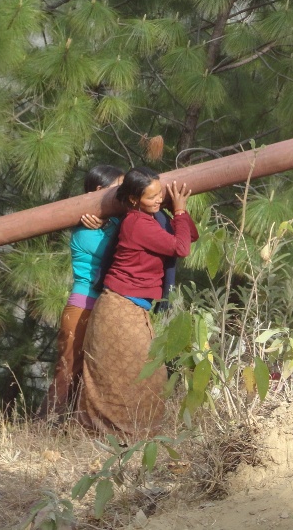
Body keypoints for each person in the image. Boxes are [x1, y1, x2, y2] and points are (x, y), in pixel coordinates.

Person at [76, 167, 198, 437]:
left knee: (148, 375)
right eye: (151, 197)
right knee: (133, 375)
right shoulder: (137, 223)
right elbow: (181, 248)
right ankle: (118, 436)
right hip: (119, 309)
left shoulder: (152, 219)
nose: (158, 200)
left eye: (160, 194)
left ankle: (136, 436)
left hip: (130, 308)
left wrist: (176, 212)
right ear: (133, 200)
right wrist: (179, 211)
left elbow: (189, 235)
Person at [39, 164, 124, 420]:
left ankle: (77, 427)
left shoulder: (113, 222)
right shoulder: (84, 231)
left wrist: (109, 221)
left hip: (103, 305)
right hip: (83, 306)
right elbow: (117, 252)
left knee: (93, 373)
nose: (123, 194)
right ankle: (47, 424)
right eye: (118, 188)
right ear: (99, 191)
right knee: (68, 369)